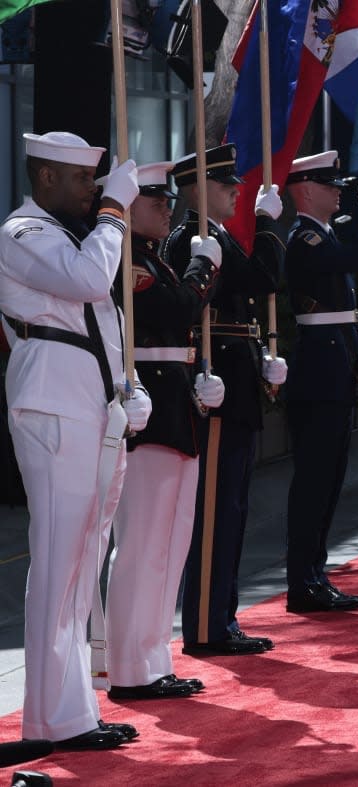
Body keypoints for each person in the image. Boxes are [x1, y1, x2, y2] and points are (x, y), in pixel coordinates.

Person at [0, 132, 150, 749]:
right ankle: (46, 720)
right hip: (53, 398)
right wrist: (116, 211)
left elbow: (102, 321)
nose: (92, 191)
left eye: (95, 181)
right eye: (83, 181)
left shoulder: (64, 235)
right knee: (61, 559)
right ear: (46, 180)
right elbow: (90, 282)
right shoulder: (21, 234)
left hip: (86, 396)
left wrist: (125, 385)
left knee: (82, 559)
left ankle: (71, 712)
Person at [165, 143, 287, 655]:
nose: (236, 190)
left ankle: (221, 617)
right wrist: (266, 225)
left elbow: (254, 289)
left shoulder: (213, 236)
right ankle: (208, 624)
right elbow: (264, 278)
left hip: (234, 380)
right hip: (215, 384)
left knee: (231, 507)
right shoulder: (190, 240)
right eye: (225, 184)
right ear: (196, 189)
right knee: (215, 510)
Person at [106, 161, 220, 701]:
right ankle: (129, 665)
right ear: (126, 206)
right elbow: (177, 309)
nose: (167, 209)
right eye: (155, 201)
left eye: (168, 200)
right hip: (148, 404)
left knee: (171, 542)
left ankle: (154, 657)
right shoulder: (130, 261)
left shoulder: (152, 258)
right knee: (142, 543)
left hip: (174, 400)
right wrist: (203, 268)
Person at [283, 150, 358, 605]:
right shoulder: (305, 235)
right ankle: (303, 580)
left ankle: (314, 575)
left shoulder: (322, 233)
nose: (339, 191)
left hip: (336, 361)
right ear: (305, 191)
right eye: (330, 185)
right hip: (319, 369)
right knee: (315, 479)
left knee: (330, 478)